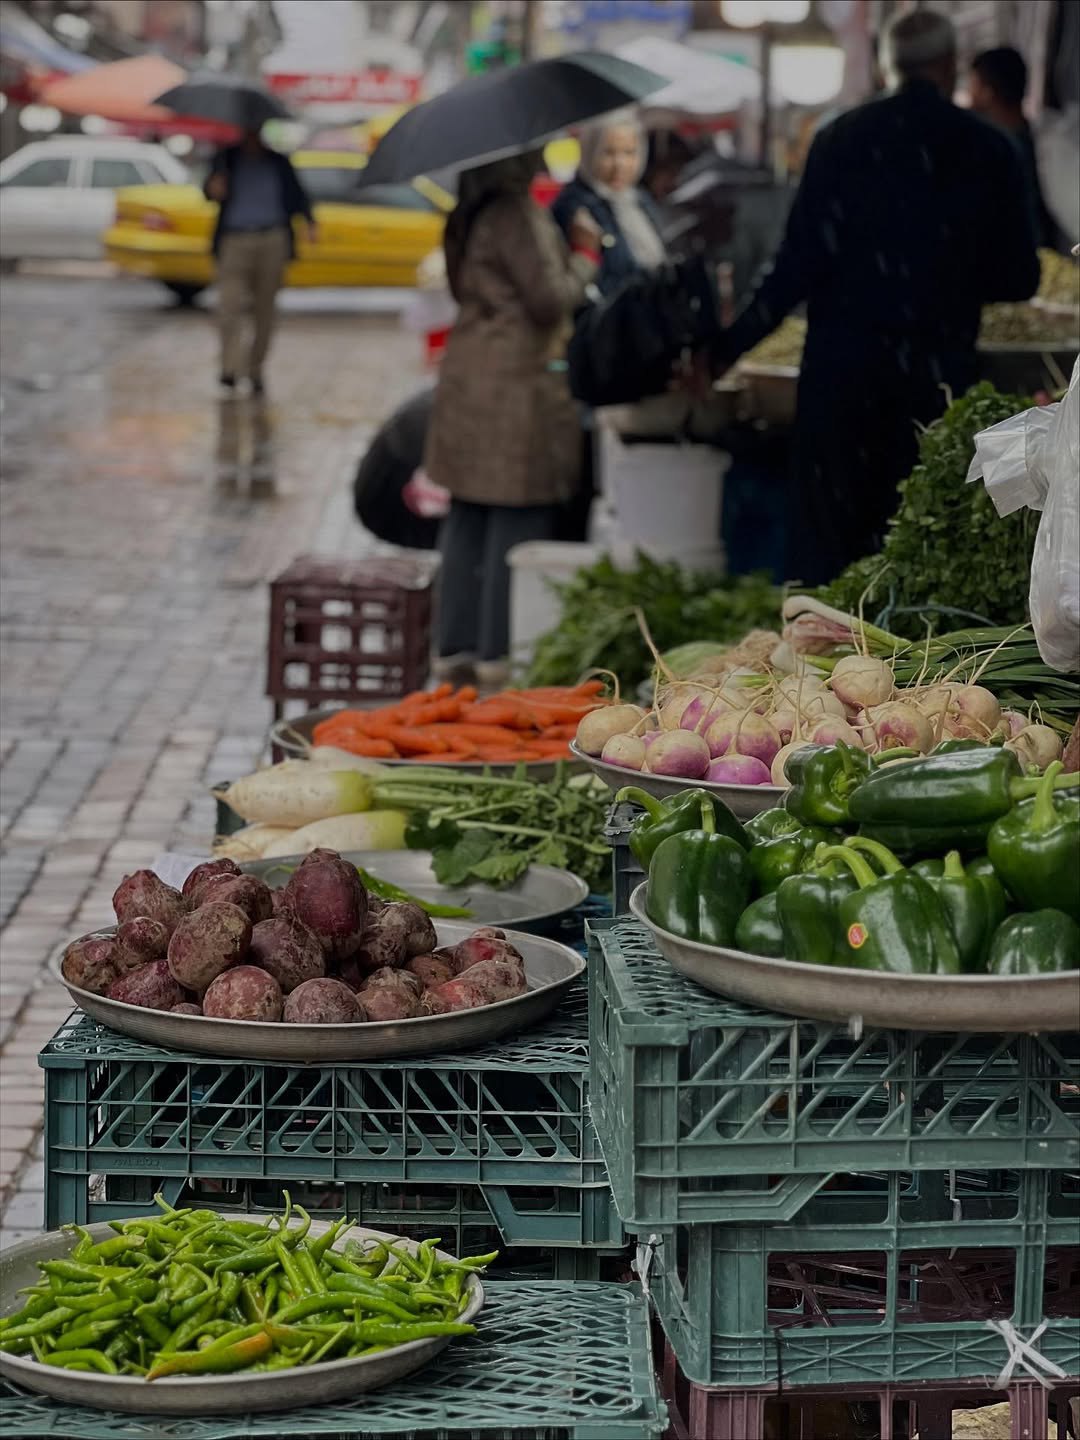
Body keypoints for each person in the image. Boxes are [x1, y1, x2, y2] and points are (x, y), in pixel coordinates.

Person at [712, 8, 1040, 586]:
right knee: (919, 559)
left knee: (828, 568)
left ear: (889, 66)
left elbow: (793, 269)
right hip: (935, 389)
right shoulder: (989, 150)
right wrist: (945, 275)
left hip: (842, 388)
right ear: (949, 66)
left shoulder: (840, 140)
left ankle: (814, 668)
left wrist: (723, 351)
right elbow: (1020, 279)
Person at [425, 152, 601, 684]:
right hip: (517, 384)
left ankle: (452, 647)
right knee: (517, 517)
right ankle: (496, 654)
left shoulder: (468, 213)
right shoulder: (518, 213)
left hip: (471, 373)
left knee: (469, 514)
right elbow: (551, 300)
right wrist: (585, 254)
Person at [205, 130, 315, 394]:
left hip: (272, 238)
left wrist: (309, 221)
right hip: (235, 239)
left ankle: (255, 368)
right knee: (229, 306)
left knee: (265, 310)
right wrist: (214, 187)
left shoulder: (278, 162)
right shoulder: (225, 160)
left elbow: (298, 196)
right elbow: (209, 193)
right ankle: (229, 367)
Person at [551, 113, 666, 297]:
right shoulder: (574, 206)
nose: (619, 164)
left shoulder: (638, 199)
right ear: (590, 150)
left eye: (629, 152)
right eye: (608, 152)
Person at [969, 46, 1062, 251]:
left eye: (973, 86)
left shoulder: (1000, 152)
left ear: (988, 93)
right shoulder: (1041, 140)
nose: (969, 95)